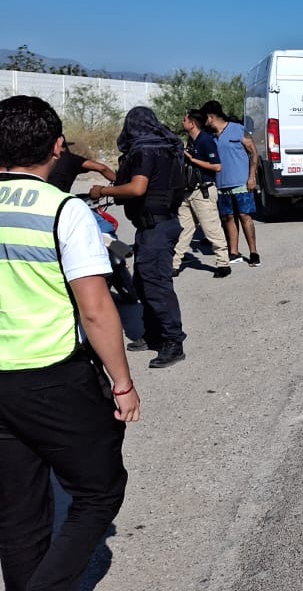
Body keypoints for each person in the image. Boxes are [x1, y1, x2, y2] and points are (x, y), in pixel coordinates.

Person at [0, 95, 140, 591]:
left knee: (18, 510)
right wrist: (122, 383)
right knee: (101, 491)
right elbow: (95, 309)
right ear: (58, 147)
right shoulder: (63, 211)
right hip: (50, 374)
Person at [90, 106, 187, 368]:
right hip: (156, 224)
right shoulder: (165, 146)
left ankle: (172, 341)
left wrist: (102, 191)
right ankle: (153, 332)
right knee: (143, 282)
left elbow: (137, 188)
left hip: (157, 227)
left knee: (156, 285)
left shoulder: (145, 149)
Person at [172, 108, 230, 278]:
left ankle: (223, 264)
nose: (182, 122)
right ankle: (174, 264)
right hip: (188, 191)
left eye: (185, 119)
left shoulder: (206, 141)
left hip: (202, 191)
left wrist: (193, 159)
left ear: (192, 123)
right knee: (183, 230)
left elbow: (217, 166)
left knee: (211, 229)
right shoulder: (192, 141)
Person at [203, 101, 260, 267]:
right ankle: (234, 252)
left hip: (242, 182)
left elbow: (253, 152)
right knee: (228, 217)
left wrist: (252, 176)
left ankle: (253, 252)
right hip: (221, 185)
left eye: (204, 117)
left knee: (244, 216)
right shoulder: (210, 136)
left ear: (211, 117)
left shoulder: (237, 129)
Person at [46, 140, 117, 193]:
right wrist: (119, 186)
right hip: (60, 202)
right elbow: (102, 168)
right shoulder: (70, 159)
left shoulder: (42, 159)